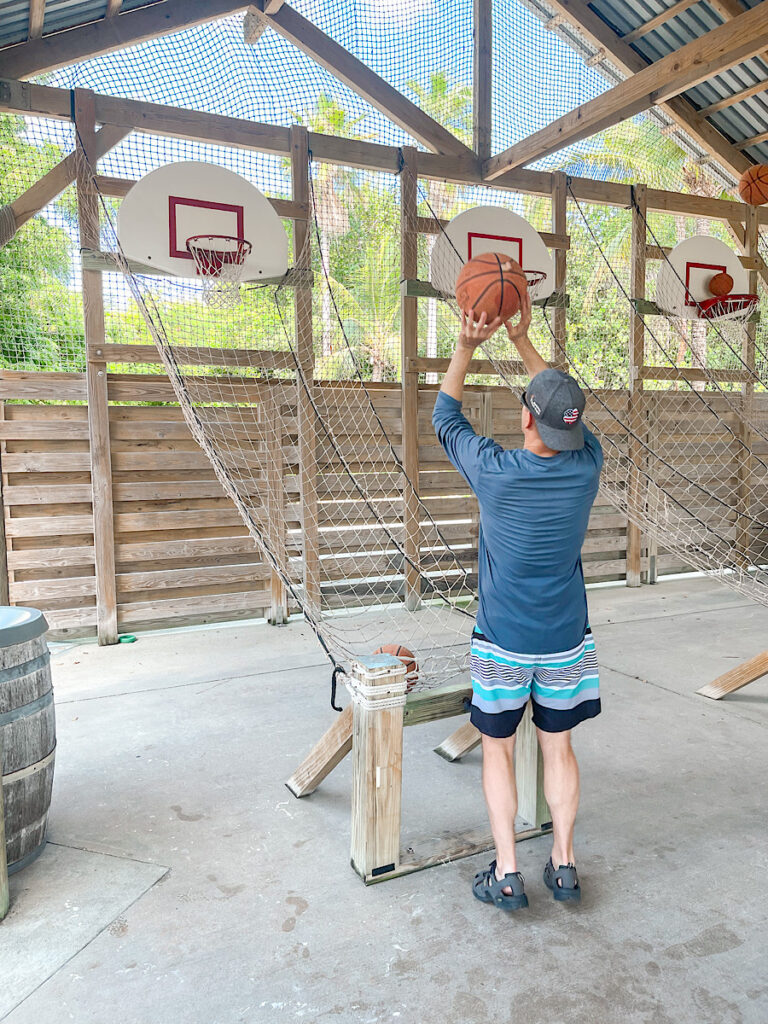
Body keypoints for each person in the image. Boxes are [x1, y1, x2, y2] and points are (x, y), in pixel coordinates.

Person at [432, 291, 604, 912]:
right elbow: (562, 409)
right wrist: (523, 343)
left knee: (498, 749)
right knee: (559, 747)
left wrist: (469, 343)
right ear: (572, 425)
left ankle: (507, 873)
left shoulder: (494, 470)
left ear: (526, 419)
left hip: (502, 642)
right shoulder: (588, 465)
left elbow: (445, 418)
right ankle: (563, 865)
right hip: (566, 645)